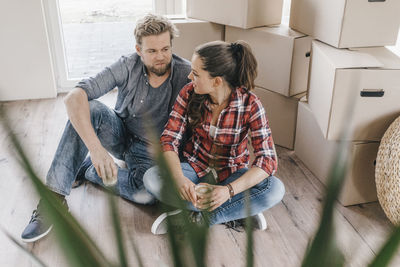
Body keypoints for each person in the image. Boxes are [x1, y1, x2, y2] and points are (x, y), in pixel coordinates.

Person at [21, 14, 191, 242]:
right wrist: (97, 149)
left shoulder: (185, 73)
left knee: (148, 196)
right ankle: (53, 200)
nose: (160, 57)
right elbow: (73, 97)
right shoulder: (126, 65)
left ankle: (89, 170)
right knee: (88, 108)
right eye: (152, 51)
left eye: (165, 49)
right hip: (120, 134)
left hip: (155, 149)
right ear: (139, 50)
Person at [143, 40, 285, 235]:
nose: (189, 76)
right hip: (194, 168)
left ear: (217, 81)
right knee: (152, 178)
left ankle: (202, 219)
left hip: (231, 175)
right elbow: (169, 139)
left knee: (274, 188)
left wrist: (229, 191)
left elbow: (267, 160)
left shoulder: (251, 104)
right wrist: (179, 179)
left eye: (196, 73)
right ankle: (238, 210)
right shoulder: (188, 93)